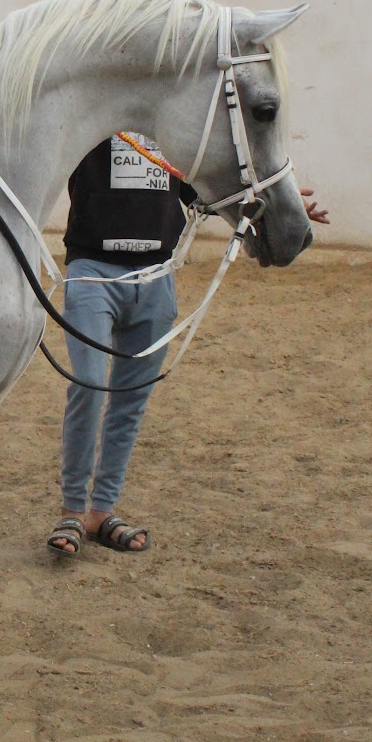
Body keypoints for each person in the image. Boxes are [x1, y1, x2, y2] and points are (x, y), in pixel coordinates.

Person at [47, 133, 329, 558]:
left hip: (157, 275)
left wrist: (280, 210)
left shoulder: (170, 133)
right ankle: (71, 509)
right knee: (88, 383)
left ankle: (102, 511)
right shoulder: (97, 119)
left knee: (131, 396)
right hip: (94, 272)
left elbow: (211, 191)